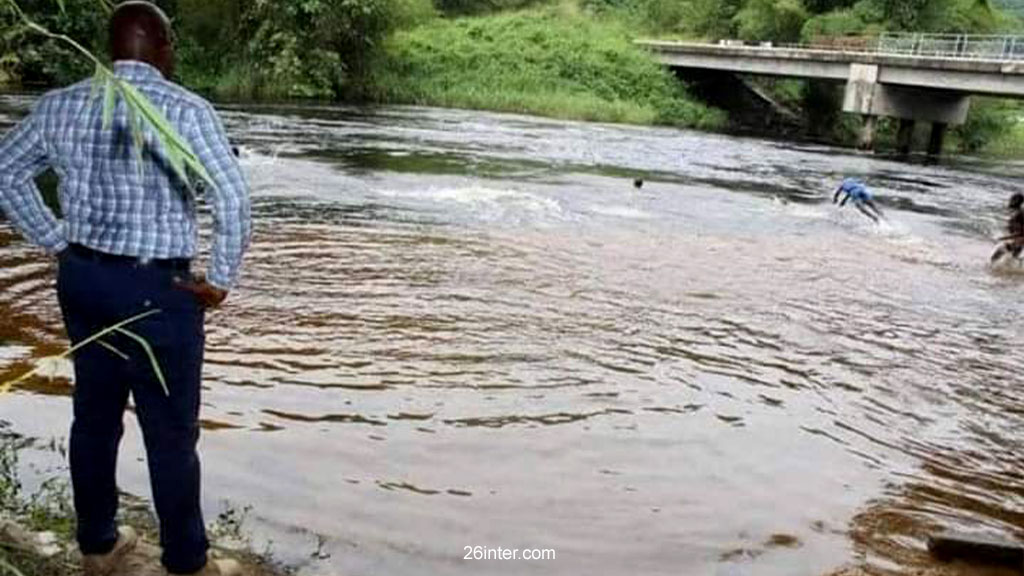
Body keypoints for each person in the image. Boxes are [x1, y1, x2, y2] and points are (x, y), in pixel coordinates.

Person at [0, 2, 250, 575]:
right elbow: (232, 198)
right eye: (172, 46)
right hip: (162, 290)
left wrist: (55, 240)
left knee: (94, 416)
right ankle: (186, 563)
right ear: (162, 46)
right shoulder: (187, 110)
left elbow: (6, 170)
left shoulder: (59, 105)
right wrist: (222, 278)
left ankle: (98, 548)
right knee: (170, 435)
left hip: (84, 282)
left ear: (112, 48)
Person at [991, 192, 1024, 264]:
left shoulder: (1018, 214)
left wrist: (1002, 238)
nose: (1009, 201)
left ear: (1015, 201)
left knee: (994, 258)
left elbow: (1021, 232)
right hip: (1019, 243)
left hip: (1017, 242)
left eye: (1011, 199)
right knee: (1011, 261)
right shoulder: (1019, 213)